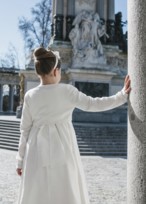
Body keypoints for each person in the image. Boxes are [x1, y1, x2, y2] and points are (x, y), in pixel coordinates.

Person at [16, 47, 131, 204]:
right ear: (56, 71)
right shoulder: (67, 91)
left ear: (38, 72)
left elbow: (25, 130)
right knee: (65, 190)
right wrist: (122, 95)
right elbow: (94, 104)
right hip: (63, 149)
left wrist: (20, 160)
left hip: (35, 151)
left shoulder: (30, 96)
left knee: (37, 192)